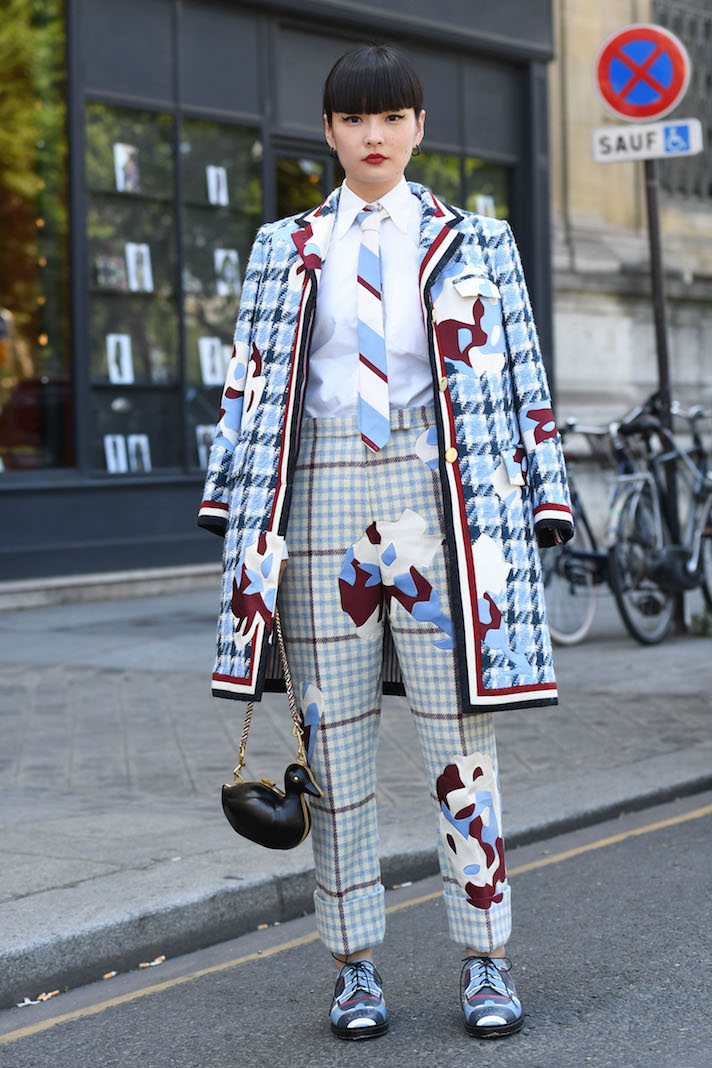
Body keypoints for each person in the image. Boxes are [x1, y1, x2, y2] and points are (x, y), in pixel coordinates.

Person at [198, 44, 573, 1042]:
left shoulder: (478, 242)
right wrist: (235, 515)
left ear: (416, 128)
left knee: (461, 744)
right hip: (320, 489)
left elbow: (524, 376)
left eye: (391, 117)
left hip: (440, 496)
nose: (373, 136)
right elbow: (248, 381)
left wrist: (543, 497)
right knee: (333, 750)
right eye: (354, 120)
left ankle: (485, 960)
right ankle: (353, 967)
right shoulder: (282, 246)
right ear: (327, 132)